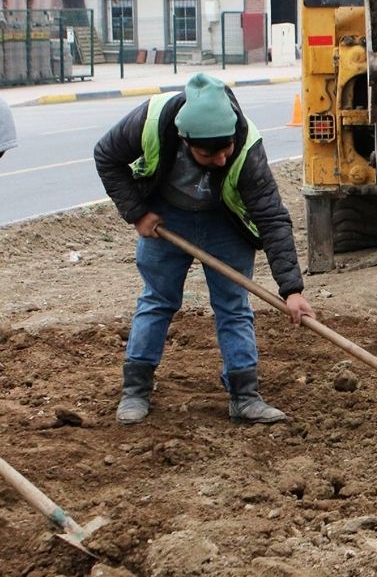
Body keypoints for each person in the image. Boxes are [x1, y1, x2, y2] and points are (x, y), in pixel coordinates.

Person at [94, 73, 315, 425]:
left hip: (224, 222)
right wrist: (137, 213)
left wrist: (292, 289)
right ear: (184, 140)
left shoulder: (246, 146)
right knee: (158, 299)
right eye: (207, 153)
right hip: (167, 217)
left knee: (233, 305)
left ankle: (244, 396)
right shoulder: (152, 120)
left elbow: (272, 217)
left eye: (226, 149)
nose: (221, 160)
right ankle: (135, 390)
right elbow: (106, 155)